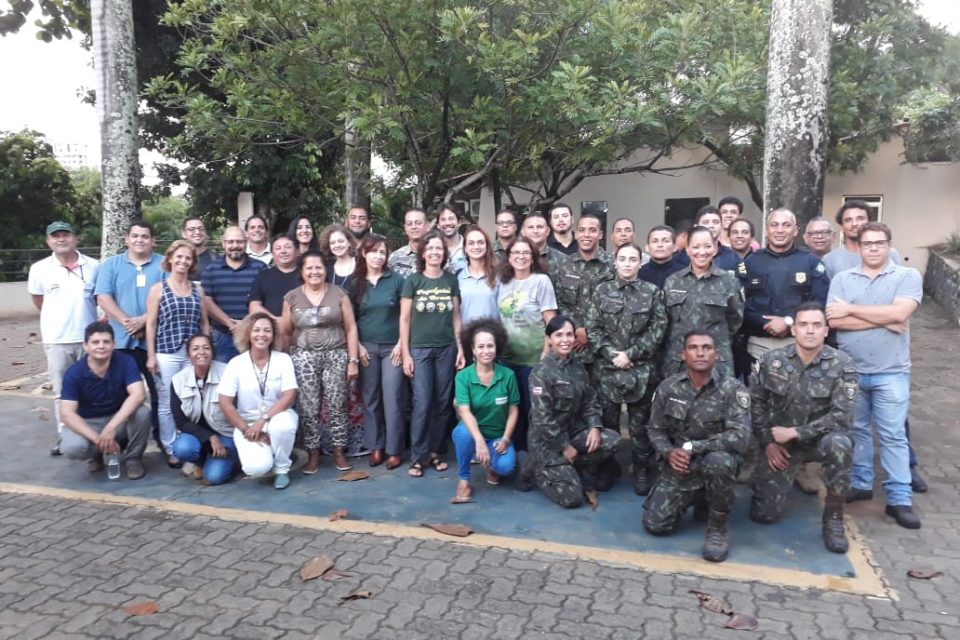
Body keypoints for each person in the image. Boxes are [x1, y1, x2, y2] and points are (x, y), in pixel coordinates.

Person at [827, 222, 923, 529]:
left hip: (891, 372)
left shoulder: (907, 276)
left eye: (879, 243)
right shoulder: (843, 279)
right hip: (851, 370)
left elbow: (899, 315)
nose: (873, 248)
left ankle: (899, 499)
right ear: (859, 246)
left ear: (889, 245)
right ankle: (861, 482)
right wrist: (884, 318)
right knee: (857, 430)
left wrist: (853, 310)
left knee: (893, 434)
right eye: (867, 243)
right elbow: (834, 320)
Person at [749, 303, 856, 553]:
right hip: (781, 446)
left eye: (816, 325)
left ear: (826, 331)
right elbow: (757, 406)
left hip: (819, 441)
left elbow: (842, 416)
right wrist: (768, 443)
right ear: (794, 330)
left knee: (841, 443)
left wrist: (797, 432)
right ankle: (765, 482)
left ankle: (833, 518)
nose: (810, 331)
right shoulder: (771, 361)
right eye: (804, 325)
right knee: (764, 515)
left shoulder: (843, 364)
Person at [643, 331, 750, 562]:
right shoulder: (668, 388)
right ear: (683, 354)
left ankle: (717, 526)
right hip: (681, 465)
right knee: (655, 525)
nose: (700, 352)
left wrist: (694, 447)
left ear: (717, 354)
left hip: (714, 461)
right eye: (693, 348)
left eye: (707, 347)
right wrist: (669, 452)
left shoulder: (733, 390)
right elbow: (655, 429)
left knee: (719, 461)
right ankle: (699, 497)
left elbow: (740, 437)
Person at [586, 243, 667, 495]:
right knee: (608, 423)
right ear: (615, 262)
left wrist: (630, 354)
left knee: (639, 427)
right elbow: (593, 327)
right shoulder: (602, 291)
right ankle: (607, 467)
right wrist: (612, 354)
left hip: (641, 370)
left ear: (640, 262)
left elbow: (658, 329)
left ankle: (642, 468)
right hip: (607, 370)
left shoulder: (652, 292)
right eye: (623, 259)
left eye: (633, 259)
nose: (628, 263)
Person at [517, 315, 620, 507]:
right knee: (572, 499)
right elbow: (542, 419)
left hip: (572, 431)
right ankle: (537, 467)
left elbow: (590, 400)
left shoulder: (578, 367)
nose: (565, 340)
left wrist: (594, 426)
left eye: (569, 335)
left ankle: (570, 466)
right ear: (549, 339)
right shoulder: (541, 373)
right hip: (547, 441)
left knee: (611, 440)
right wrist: (564, 447)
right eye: (559, 335)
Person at [282, 251, 360, 473]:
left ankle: (339, 452)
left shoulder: (340, 294)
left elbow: (351, 327)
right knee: (309, 407)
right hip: (303, 357)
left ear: (325, 270)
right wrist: (287, 360)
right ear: (302, 272)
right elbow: (286, 332)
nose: (314, 272)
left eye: (319, 267)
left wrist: (352, 360)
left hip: (336, 354)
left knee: (338, 405)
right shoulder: (291, 297)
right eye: (309, 268)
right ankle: (313, 453)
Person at [28, 221, 100, 456]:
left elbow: (100, 299)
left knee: (91, 388)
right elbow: (39, 301)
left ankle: (91, 433)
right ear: (48, 241)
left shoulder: (93, 266)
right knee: (62, 392)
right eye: (55, 236)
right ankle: (65, 434)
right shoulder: (39, 269)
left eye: (65, 235)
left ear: (75, 238)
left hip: (90, 340)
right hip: (57, 339)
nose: (61, 239)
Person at [400, 231, 465, 477]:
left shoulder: (450, 280)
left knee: (441, 403)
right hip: (420, 349)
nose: (435, 252)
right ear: (423, 252)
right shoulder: (413, 281)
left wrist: (460, 347)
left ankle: (436, 451)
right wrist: (406, 354)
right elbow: (404, 319)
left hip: (446, 348)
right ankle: (418, 456)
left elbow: (456, 317)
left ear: (444, 253)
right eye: (431, 248)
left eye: (439, 248)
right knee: (422, 402)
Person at [95, 220, 167, 437]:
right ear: (126, 238)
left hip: (154, 343)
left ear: (152, 240)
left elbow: (170, 296)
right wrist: (127, 321)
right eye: (135, 236)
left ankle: (163, 440)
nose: (139, 240)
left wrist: (144, 320)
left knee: (159, 395)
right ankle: (119, 441)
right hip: (120, 341)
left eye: (145, 236)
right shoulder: (111, 265)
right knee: (117, 394)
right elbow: (103, 297)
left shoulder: (164, 265)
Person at [145, 239, 210, 466]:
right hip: (167, 352)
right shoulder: (158, 289)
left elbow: (204, 322)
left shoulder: (197, 289)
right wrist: (151, 355)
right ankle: (171, 446)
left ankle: (190, 441)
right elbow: (151, 324)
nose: (183, 261)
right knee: (166, 402)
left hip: (192, 353)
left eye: (188, 258)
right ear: (170, 259)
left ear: (192, 263)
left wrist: (207, 346)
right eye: (179, 256)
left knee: (192, 398)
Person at [59, 321, 151, 480]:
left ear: (114, 344)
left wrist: (111, 427)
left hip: (118, 420)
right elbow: (67, 414)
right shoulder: (74, 373)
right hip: (89, 422)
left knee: (142, 413)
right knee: (73, 448)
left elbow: (138, 394)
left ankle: (133, 459)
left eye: (106, 342)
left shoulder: (125, 362)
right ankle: (96, 455)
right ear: (86, 346)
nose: (101, 346)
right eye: (95, 342)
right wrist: (97, 438)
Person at [219, 313, 299, 489]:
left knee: (283, 425)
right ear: (248, 334)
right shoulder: (236, 363)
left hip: (277, 416)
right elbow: (224, 401)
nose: (261, 335)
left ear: (273, 336)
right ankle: (274, 451)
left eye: (267, 331)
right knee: (256, 468)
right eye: (256, 330)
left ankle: (282, 468)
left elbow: (289, 395)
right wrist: (246, 428)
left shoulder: (283, 360)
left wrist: (263, 420)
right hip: (247, 424)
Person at [740, 208, 829, 363]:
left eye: (786, 225)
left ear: (795, 231)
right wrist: (767, 323)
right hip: (758, 346)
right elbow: (739, 304)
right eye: (774, 225)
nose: (780, 230)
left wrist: (788, 321)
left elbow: (821, 302)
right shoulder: (750, 262)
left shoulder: (810, 262)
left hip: (799, 344)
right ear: (767, 230)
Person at [496, 236, 558, 451]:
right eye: (516, 253)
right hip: (506, 358)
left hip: (533, 358)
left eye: (525, 253)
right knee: (512, 407)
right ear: (508, 257)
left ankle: (535, 454)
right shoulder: (501, 282)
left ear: (533, 257)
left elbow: (551, 321)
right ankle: (515, 451)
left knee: (533, 409)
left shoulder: (541, 281)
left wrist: (546, 351)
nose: (520, 257)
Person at [350, 234, 406, 469]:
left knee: (393, 398)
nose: (378, 256)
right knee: (371, 399)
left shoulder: (397, 280)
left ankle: (394, 449)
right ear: (364, 253)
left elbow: (406, 316)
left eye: (382, 252)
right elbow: (349, 320)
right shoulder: (355, 283)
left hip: (393, 347)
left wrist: (402, 344)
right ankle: (376, 446)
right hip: (367, 348)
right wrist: (358, 346)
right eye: (373, 251)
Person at [451, 319, 519, 503]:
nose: (486, 351)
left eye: (490, 346)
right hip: (473, 433)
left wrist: (505, 438)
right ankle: (464, 480)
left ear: (497, 348)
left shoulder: (508, 375)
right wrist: (479, 441)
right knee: (462, 434)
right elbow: (464, 411)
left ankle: (490, 465)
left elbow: (513, 410)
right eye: (480, 346)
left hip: (497, 435)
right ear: (472, 349)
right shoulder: (463, 376)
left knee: (505, 467)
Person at [662, 226, 743, 378]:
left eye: (707, 246)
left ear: (714, 249)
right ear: (687, 249)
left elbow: (735, 320)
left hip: (716, 361)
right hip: (679, 361)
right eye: (696, 247)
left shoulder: (729, 282)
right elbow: (666, 320)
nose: (702, 252)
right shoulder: (673, 282)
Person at [169, 334, 238, 485]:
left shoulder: (228, 372)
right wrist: (209, 437)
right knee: (182, 449)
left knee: (214, 477)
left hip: (225, 434)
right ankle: (200, 461)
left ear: (212, 352)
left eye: (206, 348)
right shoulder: (178, 380)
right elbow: (180, 421)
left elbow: (239, 409)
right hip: (199, 435)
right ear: (188, 355)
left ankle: (232, 459)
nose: (201, 352)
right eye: (195, 349)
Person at [553, 213, 614, 368]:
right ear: (576, 233)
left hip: (604, 347)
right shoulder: (564, 265)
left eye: (592, 230)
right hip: (573, 346)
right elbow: (559, 301)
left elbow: (617, 304)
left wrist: (591, 332)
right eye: (582, 230)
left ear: (600, 234)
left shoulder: (612, 266)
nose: (586, 235)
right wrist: (578, 328)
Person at [201, 226, 267, 362]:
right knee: (223, 379)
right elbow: (206, 301)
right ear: (223, 243)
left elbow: (265, 301)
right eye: (230, 242)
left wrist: (245, 325)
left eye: (239, 242)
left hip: (253, 336)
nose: (235, 246)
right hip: (221, 337)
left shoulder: (260, 268)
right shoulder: (211, 269)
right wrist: (231, 325)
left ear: (246, 242)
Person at [823, 200, 902, 278]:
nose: (854, 224)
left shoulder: (890, 253)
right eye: (848, 220)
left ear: (869, 222)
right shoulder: (830, 260)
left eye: (860, 218)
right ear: (841, 226)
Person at [249, 234, 301, 322]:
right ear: (272, 253)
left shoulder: (307, 275)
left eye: (288, 247)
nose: (283, 251)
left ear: (297, 251)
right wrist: (275, 321)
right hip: (273, 330)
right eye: (278, 248)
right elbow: (254, 306)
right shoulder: (263, 276)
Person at [458, 225, 500, 325]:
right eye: (471, 243)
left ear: (487, 246)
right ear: (465, 249)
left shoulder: (498, 276)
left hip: (493, 337)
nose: (476, 247)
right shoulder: (457, 277)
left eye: (480, 242)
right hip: (465, 337)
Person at [692, 205, 744, 273]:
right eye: (706, 222)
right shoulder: (684, 258)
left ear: (721, 225)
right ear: (696, 227)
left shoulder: (735, 257)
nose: (711, 226)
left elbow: (744, 280)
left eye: (716, 222)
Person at [639, 225, 686, 290]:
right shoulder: (639, 274)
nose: (660, 245)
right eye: (655, 241)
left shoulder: (685, 274)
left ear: (675, 247)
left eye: (665, 241)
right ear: (647, 247)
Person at [388, 208, 428, 278]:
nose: (414, 227)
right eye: (409, 224)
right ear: (405, 228)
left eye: (418, 223)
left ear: (427, 225)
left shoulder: (436, 255)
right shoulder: (395, 258)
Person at [321, 223, 357, 287]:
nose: (337, 245)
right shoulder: (326, 267)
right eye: (332, 243)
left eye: (341, 241)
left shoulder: (361, 264)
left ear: (349, 242)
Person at [436, 204, 467, 274]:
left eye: (451, 218)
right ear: (438, 225)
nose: (447, 223)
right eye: (443, 219)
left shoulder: (470, 247)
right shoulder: (433, 250)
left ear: (459, 222)